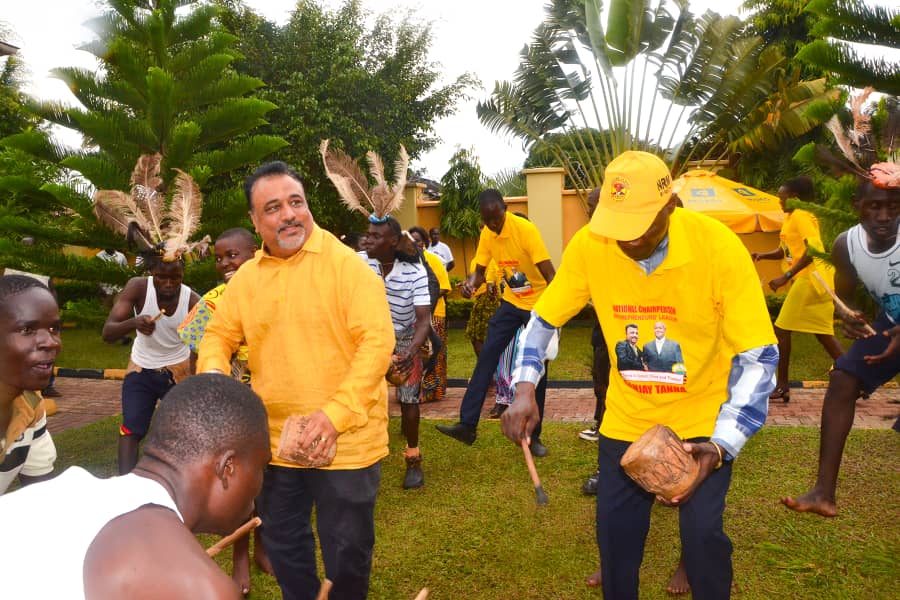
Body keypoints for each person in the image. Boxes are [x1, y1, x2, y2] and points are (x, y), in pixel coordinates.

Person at [502, 151, 778, 599]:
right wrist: (524, 387)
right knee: (615, 539)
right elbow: (543, 320)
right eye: (617, 226)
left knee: (702, 537)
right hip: (626, 422)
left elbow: (758, 356)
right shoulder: (592, 244)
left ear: (670, 206)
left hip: (701, 423)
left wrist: (721, 445)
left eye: (640, 225)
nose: (626, 239)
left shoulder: (718, 247)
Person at [197, 161, 394, 600]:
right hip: (275, 443)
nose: (288, 215)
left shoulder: (347, 268)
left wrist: (334, 415)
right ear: (255, 221)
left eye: (295, 202)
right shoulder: (248, 278)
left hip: (347, 442)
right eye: (273, 208)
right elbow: (218, 334)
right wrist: (212, 375)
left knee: (347, 554)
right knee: (284, 544)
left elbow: (377, 344)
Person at [0, 373, 272, 599]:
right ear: (228, 467)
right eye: (261, 467)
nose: (261, 484)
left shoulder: (64, 492)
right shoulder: (199, 588)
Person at [782, 175, 900, 517]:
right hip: (890, 323)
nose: (884, 216)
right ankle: (823, 494)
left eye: (893, 208)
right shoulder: (846, 246)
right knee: (843, 379)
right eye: (874, 207)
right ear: (857, 207)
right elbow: (846, 297)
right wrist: (848, 316)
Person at [177, 227, 270, 594]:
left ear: (255, 252)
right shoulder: (212, 302)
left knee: (268, 480)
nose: (225, 263)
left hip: (273, 402)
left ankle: (264, 544)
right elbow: (196, 354)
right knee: (238, 481)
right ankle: (240, 556)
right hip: (231, 408)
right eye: (219, 258)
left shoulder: (273, 292)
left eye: (233, 255)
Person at [437, 189, 556, 457]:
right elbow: (479, 272)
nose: (493, 224)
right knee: (486, 357)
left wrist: (551, 318)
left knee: (538, 369)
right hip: (512, 303)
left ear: (505, 209)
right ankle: (467, 425)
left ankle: (534, 437)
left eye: (496, 218)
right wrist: (470, 284)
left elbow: (550, 275)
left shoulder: (525, 230)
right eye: (487, 220)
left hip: (537, 305)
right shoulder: (487, 235)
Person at [103, 254, 199, 475]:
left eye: (175, 278)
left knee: (184, 431)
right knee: (131, 428)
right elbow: (108, 332)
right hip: (141, 368)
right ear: (151, 273)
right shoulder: (138, 288)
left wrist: (194, 381)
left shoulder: (192, 301)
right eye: (161, 277)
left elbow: (201, 345)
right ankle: (125, 484)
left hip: (178, 370)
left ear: (182, 275)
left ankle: (179, 481)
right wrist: (134, 323)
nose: (168, 283)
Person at [752, 176, 844, 401]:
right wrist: (762, 255)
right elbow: (785, 250)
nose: (779, 202)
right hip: (816, 281)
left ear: (794, 198)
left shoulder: (802, 216)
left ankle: (782, 385)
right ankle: (859, 379)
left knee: (781, 330)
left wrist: (786, 276)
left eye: (782, 198)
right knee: (824, 335)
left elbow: (812, 250)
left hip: (810, 280)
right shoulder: (791, 217)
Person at [362, 220, 432, 489]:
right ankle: (362, 458)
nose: (367, 240)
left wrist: (410, 353)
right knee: (361, 396)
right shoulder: (360, 263)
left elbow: (423, 321)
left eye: (375, 236)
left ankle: (413, 460)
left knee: (409, 398)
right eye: (367, 235)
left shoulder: (415, 272)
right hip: (369, 337)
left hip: (404, 337)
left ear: (392, 241)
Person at [0, 274, 59, 495]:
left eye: (54, 329)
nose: (51, 342)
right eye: (27, 330)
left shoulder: (30, 405)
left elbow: (41, 498)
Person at [579, 187, 612, 444]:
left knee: (606, 379)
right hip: (601, 324)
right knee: (600, 377)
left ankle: (605, 427)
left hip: (617, 326)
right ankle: (600, 424)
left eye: (592, 207)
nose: (588, 212)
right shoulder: (589, 240)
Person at [410, 226, 451, 404]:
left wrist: (423, 299)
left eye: (418, 241)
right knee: (417, 353)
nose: (414, 244)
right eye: (411, 241)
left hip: (435, 314)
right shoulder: (406, 262)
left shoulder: (433, 260)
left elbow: (444, 287)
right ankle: (413, 389)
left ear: (424, 242)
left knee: (435, 353)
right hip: (414, 316)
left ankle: (433, 391)